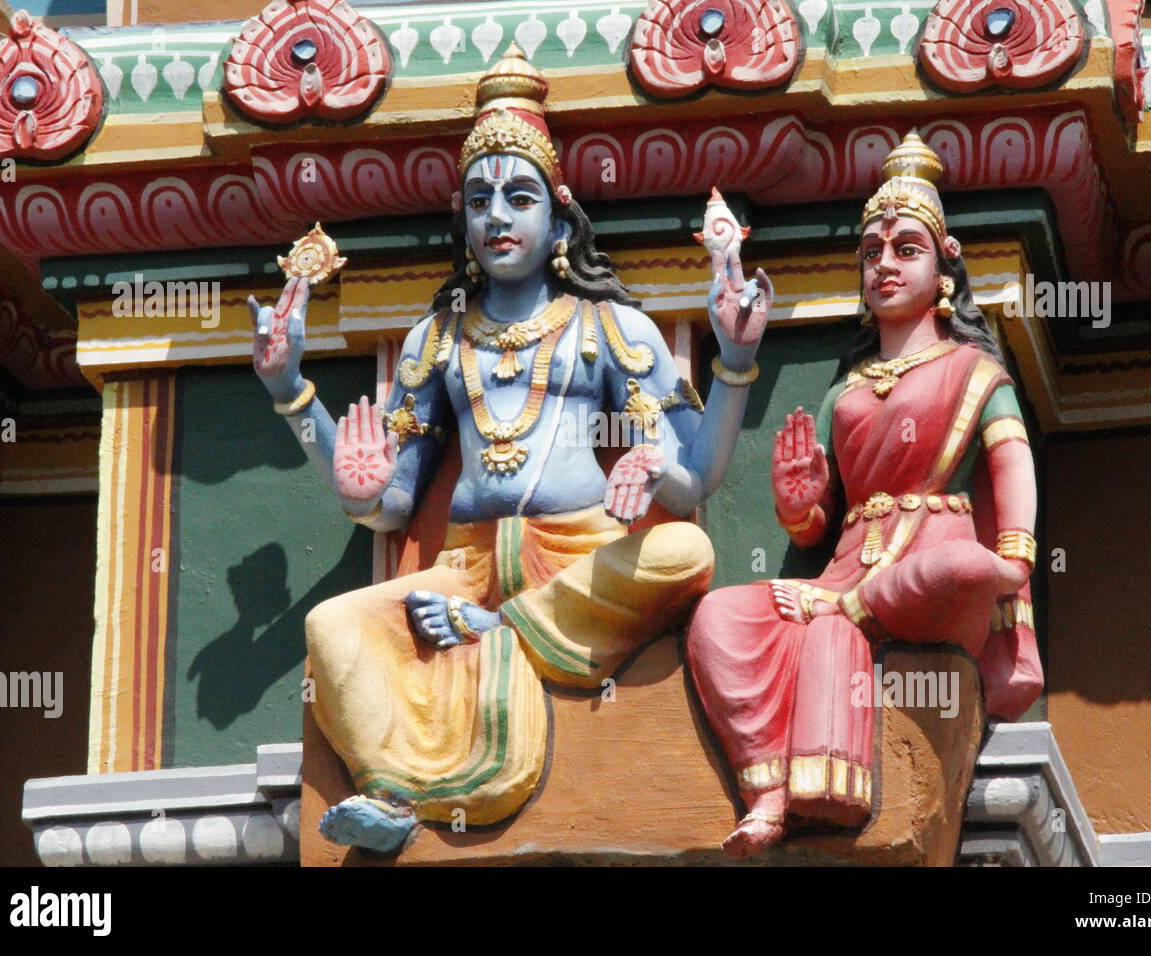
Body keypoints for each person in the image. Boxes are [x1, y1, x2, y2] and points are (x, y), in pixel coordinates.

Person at [247, 44, 772, 854]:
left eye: (519, 197)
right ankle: (389, 793)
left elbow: (696, 473)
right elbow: (386, 502)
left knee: (683, 551)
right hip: (462, 567)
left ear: (558, 220)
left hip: (580, 561)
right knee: (334, 624)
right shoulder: (438, 339)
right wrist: (294, 398)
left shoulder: (608, 327)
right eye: (480, 199)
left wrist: (731, 365)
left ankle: (506, 630)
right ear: (462, 218)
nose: (497, 216)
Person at [686, 131, 1043, 859]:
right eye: (872, 253)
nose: (884, 264)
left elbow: (1011, 462)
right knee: (719, 614)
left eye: (906, 249)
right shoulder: (847, 390)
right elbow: (817, 519)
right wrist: (799, 505)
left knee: (956, 570)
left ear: (945, 269)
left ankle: (849, 615)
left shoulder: (973, 371)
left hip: (933, 556)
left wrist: (1016, 560)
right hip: (847, 565)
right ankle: (770, 787)